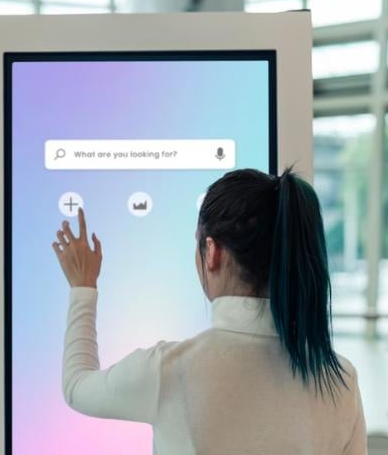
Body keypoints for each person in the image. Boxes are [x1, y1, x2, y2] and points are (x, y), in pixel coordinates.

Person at [51, 168, 366, 454]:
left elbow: (77, 386)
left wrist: (83, 287)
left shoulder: (170, 370)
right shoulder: (341, 380)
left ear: (212, 252)